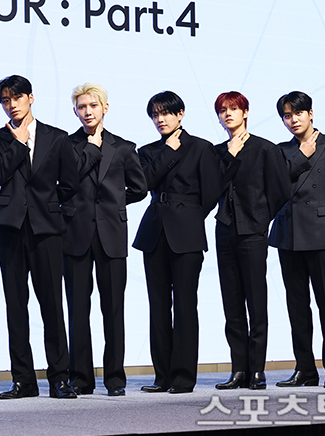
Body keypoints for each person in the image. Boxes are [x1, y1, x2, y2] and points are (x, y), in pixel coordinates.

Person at [0, 75, 79, 399]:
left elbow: (70, 184)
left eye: (17, 97)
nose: (12, 105)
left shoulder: (57, 137)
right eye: (5, 100)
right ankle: (23, 380)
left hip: (46, 229)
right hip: (9, 228)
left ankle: (59, 379)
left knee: (52, 305)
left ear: (31, 98)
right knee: (15, 305)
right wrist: (19, 142)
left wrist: (49, 207)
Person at [133, 91, 221, 394]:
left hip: (187, 234)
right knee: (157, 307)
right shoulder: (147, 151)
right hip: (154, 232)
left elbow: (211, 193)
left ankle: (183, 377)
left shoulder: (201, 147)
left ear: (180, 114)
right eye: (155, 115)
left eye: (166, 113)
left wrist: (189, 216)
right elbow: (144, 184)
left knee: (185, 306)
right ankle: (162, 377)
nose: (160, 119)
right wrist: (169, 151)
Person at [62, 83, 147, 397]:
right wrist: (91, 149)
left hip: (112, 233)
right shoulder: (66, 144)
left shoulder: (123, 147)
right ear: (75, 111)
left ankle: (115, 378)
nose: (88, 112)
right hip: (75, 234)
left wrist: (114, 204)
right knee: (77, 310)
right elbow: (65, 183)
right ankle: (80, 378)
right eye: (82, 107)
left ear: (105, 108)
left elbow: (139, 188)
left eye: (93, 106)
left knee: (113, 309)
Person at [269, 91, 325, 389]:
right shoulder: (281, 151)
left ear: (311, 113)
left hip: (323, 234)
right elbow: (276, 185)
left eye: (298, 113)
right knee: (297, 306)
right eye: (287, 116)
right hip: (288, 234)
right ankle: (304, 368)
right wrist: (301, 155)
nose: (293, 120)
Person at [212, 92, 289, 390]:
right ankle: (239, 370)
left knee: (256, 302)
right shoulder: (218, 152)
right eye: (223, 110)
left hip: (253, 231)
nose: (228, 114)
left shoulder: (265, 148)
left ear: (245, 112)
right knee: (231, 303)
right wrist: (230, 155)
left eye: (234, 108)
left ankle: (257, 370)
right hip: (225, 230)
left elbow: (281, 191)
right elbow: (214, 188)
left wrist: (260, 218)